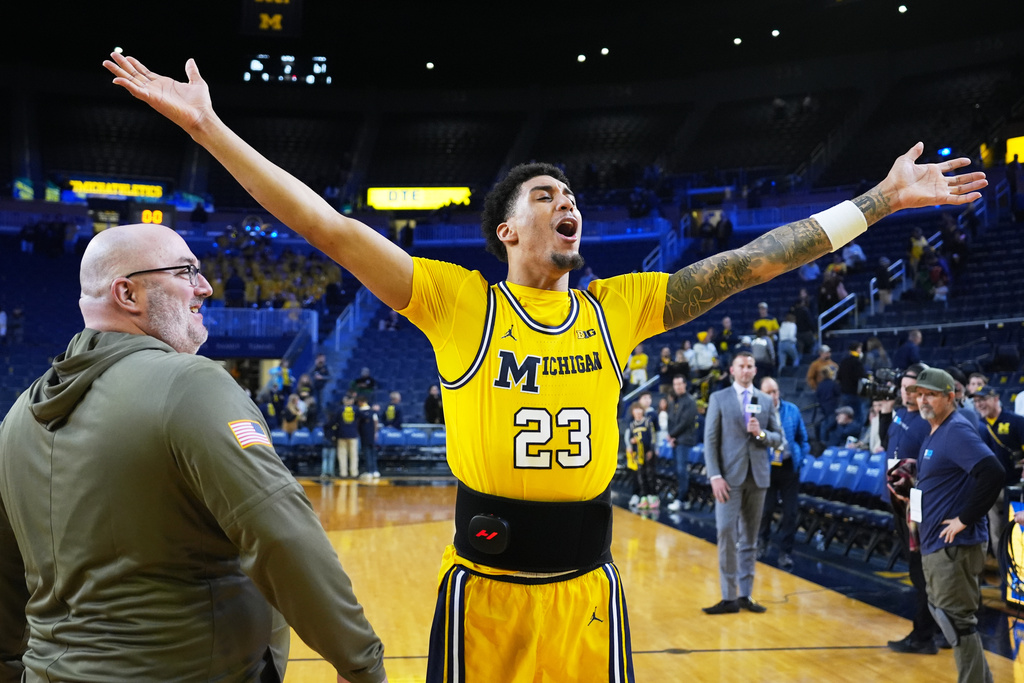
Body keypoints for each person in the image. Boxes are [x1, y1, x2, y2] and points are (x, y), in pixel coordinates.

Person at [105, 50, 987, 680]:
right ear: (507, 230)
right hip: (485, 587)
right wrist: (212, 128)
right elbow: (325, 227)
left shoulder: (620, 307)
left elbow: (761, 258)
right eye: (545, 196)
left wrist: (877, 202)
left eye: (571, 195)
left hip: (589, 589)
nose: (567, 203)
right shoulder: (461, 302)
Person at [0, 224, 385, 682]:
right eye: (186, 272)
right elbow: (281, 534)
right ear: (127, 293)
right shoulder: (189, 383)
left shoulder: (20, 412)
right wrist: (359, 661)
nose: (205, 286)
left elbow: (7, 568)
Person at [908, 368, 1003, 683]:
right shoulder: (935, 430)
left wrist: (965, 518)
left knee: (956, 622)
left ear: (950, 396)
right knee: (947, 616)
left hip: (955, 547)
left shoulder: (956, 429)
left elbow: (993, 473)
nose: (923, 400)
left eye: (931, 394)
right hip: (936, 542)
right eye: (920, 393)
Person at [702, 352, 783, 614]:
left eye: (750, 366)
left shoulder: (765, 400)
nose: (746, 370)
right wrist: (714, 476)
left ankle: (746, 595)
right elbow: (710, 441)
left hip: (757, 477)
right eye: (741, 366)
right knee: (726, 532)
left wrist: (760, 433)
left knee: (750, 537)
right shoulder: (719, 398)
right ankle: (728, 597)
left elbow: (778, 438)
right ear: (732, 370)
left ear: (755, 370)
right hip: (728, 478)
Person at [878, 363, 943, 655]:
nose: (905, 393)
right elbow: (887, 444)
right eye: (903, 387)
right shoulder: (901, 414)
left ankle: (924, 636)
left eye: (912, 387)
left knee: (921, 573)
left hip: (917, 506)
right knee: (916, 571)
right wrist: (882, 414)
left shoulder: (930, 423)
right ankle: (934, 631)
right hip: (898, 501)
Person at [757, 376, 810, 571]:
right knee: (766, 511)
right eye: (768, 392)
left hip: (789, 467)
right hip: (767, 468)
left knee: (790, 513)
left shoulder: (792, 410)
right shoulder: (757, 414)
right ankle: (761, 544)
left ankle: (785, 552)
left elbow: (803, 439)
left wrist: (801, 457)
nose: (773, 395)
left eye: (775, 391)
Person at [973, 385, 1024, 560]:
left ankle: (1017, 570)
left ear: (996, 399)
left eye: (984, 399)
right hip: (992, 488)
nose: (980, 404)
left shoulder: (1016, 421)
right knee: (995, 532)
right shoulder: (977, 426)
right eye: (977, 401)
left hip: (1016, 487)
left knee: (1017, 531)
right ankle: (1005, 570)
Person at [666, 374, 699, 511]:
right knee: (677, 471)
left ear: (685, 384)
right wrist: (670, 436)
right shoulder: (674, 401)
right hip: (676, 441)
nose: (678, 386)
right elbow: (670, 420)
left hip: (685, 441)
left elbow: (686, 422)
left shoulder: (690, 401)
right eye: (675, 384)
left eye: (680, 384)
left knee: (682, 470)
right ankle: (682, 497)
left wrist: (672, 435)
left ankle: (681, 499)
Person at [625, 401, 659, 510]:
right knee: (641, 476)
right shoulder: (632, 425)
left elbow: (653, 437)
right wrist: (631, 443)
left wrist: (652, 450)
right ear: (633, 412)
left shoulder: (648, 422)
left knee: (650, 475)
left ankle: (653, 497)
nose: (638, 411)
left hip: (648, 453)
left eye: (640, 409)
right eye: (636, 409)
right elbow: (629, 439)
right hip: (637, 455)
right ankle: (644, 497)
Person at [836, 340, 866, 427]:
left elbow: (838, 377)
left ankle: (843, 435)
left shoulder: (843, 362)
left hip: (844, 393)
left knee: (843, 417)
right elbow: (861, 377)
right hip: (854, 394)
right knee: (856, 417)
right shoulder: (857, 363)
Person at [356, 395, 379, 480]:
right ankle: (375, 471)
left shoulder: (359, 412)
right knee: (372, 453)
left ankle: (369, 471)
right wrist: (375, 433)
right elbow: (376, 422)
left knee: (367, 454)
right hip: (371, 435)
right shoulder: (372, 411)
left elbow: (358, 425)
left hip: (364, 435)